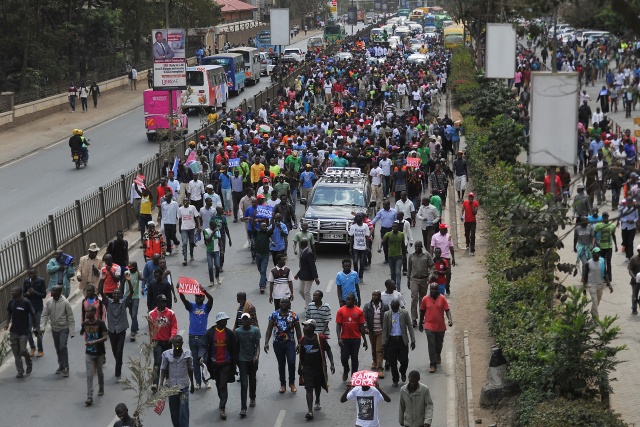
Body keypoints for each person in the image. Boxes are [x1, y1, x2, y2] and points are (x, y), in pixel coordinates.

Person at [202, 312, 237, 420]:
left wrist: (234, 364)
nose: (225, 322)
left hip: (226, 363)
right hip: (214, 364)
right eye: (223, 320)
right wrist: (201, 357)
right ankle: (221, 399)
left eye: (226, 320)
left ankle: (222, 407)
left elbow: (234, 349)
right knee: (218, 383)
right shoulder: (210, 333)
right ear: (218, 322)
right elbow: (203, 346)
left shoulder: (230, 334)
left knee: (222, 384)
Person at [298, 318, 336, 420]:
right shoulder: (302, 340)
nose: (304, 328)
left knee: (317, 386)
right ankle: (310, 411)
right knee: (309, 388)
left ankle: (317, 400)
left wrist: (332, 363)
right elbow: (301, 355)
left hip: (318, 368)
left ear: (312, 328)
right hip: (307, 368)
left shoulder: (320, 339)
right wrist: (299, 367)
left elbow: (328, 350)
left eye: (307, 326)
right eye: (304, 326)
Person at [264, 298, 302, 393]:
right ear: (279, 303)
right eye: (282, 302)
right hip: (278, 343)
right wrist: (266, 342)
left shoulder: (293, 315)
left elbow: (298, 330)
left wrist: (300, 343)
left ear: (289, 304)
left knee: (291, 362)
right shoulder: (274, 315)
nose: (284, 304)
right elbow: (269, 329)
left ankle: (292, 383)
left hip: (290, 343)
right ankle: (282, 384)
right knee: (281, 364)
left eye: (286, 302)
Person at [179, 284, 213, 390]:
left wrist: (205, 291)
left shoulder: (206, 308)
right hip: (192, 337)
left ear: (203, 297)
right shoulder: (191, 306)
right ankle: (198, 382)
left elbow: (211, 299)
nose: (198, 297)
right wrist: (180, 291)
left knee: (204, 361)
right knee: (195, 362)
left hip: (203, 338)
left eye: (200, 296)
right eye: (196, 296)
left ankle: (206, 380)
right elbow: (183, 299)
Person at [160, 335, 195, 427]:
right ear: (172, 343)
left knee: (184, 411)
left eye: (179, 342)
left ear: (182, 343)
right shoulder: (166, 354)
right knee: (174, 411)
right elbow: (163, 369)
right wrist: (161, 384)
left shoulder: (187, 354)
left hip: (183, 387)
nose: (177, 344)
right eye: (175, 342)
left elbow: (190, 369)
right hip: (172, 388)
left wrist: (192, 383)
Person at [40, 285, 75, 377]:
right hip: (54, 329)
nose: (52, 292)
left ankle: (66, 367)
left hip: (64, 328)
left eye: (54, 291)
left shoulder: (65, 303)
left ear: (59, 292)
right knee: (58, 348)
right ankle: (61, 365)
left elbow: (70, 317)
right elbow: (44, 315)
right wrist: (42, 328)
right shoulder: (49, 302)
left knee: (63, 346)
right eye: (52, 291)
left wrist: (72, 331)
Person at [419, 283, 453, 373]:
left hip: (440, 325)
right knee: (431, 344)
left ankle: (438, 353)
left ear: (437, 290)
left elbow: (447, 310)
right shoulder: (425, 299)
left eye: (435, 289)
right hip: (429, 325)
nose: (433, 291)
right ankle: (432, 364)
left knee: (438, 345)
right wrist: (420, 322)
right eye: (431, 289)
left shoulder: (442, 298)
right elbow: (422, 311)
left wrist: (450, 319)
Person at [98, 285, 129, 382]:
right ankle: (119, 362)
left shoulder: (123, 303)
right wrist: (102, 280)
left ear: (120, 295)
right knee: (115, 352)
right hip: (111, 331)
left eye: (118, 293)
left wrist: (128, 281)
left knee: (119, 351)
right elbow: (100, 291)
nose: (116, 295)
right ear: (112, 294)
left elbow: (131, 293)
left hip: (121, 331)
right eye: (114, 293)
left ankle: (117, 374)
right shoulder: (108, 302)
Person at [6, 286, 38, 378]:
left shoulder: (26, 302)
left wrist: (35, 327)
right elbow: (8, 313)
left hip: (24, 331)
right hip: (13, 331)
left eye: (13, 291)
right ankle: (20, 371)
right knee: (16, 353)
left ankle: (29, 362)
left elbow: (33, 314)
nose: (11, 293)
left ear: (19, 293)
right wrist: (7, 323)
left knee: (23, 350)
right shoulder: (11, 302)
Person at [382, 299, 415, 387]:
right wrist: (383, 343)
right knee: (392, 362)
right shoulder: (387, 314)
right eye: (393, 308)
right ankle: (395, 379)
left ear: (398, 306)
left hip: (402, 340)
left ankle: (402, 371)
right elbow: (384, 329)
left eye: (396, 307)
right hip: (391, 340)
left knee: (404, 360)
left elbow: (410, 326)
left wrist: (413, 340)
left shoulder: (404, 313)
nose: (394, 309)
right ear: (391, 307)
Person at [336, 293, 368, 381]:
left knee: (354, 357)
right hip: (345, 339)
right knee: (344, 358)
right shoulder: (341, 311)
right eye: (347, 299)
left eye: (350, 300)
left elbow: (361, 326)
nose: (348, 301)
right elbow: (338, 325)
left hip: (356, 339)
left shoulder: (359, 311)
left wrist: (364, 339)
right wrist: (339, 338)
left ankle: (354, 377)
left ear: (354, 301)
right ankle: (346, 369)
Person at [149, 295, 178, 392]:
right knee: (157, 362)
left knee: (168, 361)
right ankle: (155, 383)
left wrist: (172, 336)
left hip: (167, 341)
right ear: (157, 302)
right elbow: (151, 329)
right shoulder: (151, 314)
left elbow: (174, 326)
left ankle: (168, 379)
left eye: (165, 301)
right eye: (162, 301)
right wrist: (151, 340)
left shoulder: (171, 313)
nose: (164, 303)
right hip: (157, 342)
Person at [80, 305, 108, 406]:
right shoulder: (84, 324)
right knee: (89, 375)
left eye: (88, 312)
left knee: (100, 372)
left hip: (99, 353)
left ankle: (101, 387)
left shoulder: (101, 323)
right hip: (89, 353)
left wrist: (93, 342)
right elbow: (82, 332)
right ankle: (89, 396)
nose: (86, 314)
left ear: (94, 313)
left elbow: (105, 337)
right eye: (86, 312)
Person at [234, 313, 261, 416]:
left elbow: (258, 345)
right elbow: (236, 346)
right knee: (244, 383)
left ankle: (252, 397)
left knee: (252, 380)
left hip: (252, 359)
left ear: (250, 320)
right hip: (242, 360)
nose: (245, 321)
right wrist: (236, 361)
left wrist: (256, 356)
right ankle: (243, 408)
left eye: (246, 319)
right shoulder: (238, 332)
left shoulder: (255, 330)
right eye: (243, 320)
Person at [363, 290, 389, 378]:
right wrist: (365, 327)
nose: (374, 297)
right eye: (373, 295)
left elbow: (388, 317)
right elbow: (364, 318)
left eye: (376, 295)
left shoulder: (385, 306)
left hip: (381, 331)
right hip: (371, 331)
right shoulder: (367, 306)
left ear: (379, 297)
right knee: (373, 348)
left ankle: (380, 368)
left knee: (379, 349)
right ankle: (374, 361)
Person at [407, 241, 433, 327]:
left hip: (424, 280)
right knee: (414, 298)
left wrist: (430, 275)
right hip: (414, 279)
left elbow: (432, 266)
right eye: (416, 246)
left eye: (419, 246)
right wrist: (408, 280)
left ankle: (422, 318)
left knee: (422, 300)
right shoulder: (411, 256)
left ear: (422, 247)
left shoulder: (427, 255)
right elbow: (409, 269)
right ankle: (414, 319)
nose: (417, 248)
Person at [583, 247, 613, 318]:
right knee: (595, 302)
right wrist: (584, 287)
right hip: (592, 285)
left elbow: (605, 274)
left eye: (599, 253)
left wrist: (609, 285)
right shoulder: (589, 263)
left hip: (600, 285)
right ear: (593, 253)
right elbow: (585, 276)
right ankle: (596, 320)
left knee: (597, 303)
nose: (598, 254)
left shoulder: (602, 262)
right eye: (596, 252)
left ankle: (593, 311)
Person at [23, 269, 46, 357]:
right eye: (30, 274)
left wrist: (35, 292)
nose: (32, 276)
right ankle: (32, 347)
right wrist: (28, 293)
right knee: (28, 329)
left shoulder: (41, 281)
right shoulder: (26, 281)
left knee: (37, 329)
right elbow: (23, 294)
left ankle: (40, 349)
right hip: (29, 308)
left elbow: (43, 295)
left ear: (36, 273)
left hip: (38, 308)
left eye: (34, 274)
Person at [430, 223, 455, 294]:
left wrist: (453, 257)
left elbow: (451, 247)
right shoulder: (435, 236)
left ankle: (447, 286)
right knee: (436, 273)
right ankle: (436, 287)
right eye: (445, 229)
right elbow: (432, 246)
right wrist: (431, 256)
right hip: (438, 258)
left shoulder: (449, 236)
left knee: (448, 273)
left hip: (446, 258)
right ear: (441, 229)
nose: (447, 230)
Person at [380, 221, 405, 291]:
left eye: (395, 226)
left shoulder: (401, 235)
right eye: (393, 226)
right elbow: (383, 241)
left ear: (398, 227)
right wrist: (380, 248)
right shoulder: (388, 234)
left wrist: (404, 255)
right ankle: (393, 288)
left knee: (398, 272)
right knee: (392, 273)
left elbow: (403, 245)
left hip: (399, 256)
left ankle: (398, 289)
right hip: (391, 256)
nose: (394, 228)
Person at [295, 239, 320, 307]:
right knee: (300, 290)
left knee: (306, 292)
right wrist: (298, 274)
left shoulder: (309, 253)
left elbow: (312, 266)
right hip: (302, 276)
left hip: (309, 276)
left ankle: (309, 307)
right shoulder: (303, 252)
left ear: (300, 245)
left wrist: (316, 277)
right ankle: (310, 301)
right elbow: (303, 266)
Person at [593, 212, 617, 282]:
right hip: (601, 246)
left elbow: (613, 235)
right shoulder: (598, 225)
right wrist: (595, 243)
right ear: (602, 217)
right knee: (603, 262)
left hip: (609, 246)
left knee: (609, 262)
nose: (605, 218)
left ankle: (609, 278)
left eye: (606, 216)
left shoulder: (612, 225)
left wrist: (616, 245)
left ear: (608, 217)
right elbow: (594, 234)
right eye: (604, 217)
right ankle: (604, 276)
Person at [178, 198, 200, 266]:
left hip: (191, 228)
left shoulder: (192, 208)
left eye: (186, 201)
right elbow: (180, 219)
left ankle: (191, 253)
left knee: (191, 243)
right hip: (184, 228)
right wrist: (179, 228)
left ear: (189, 202)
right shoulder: (180, 209)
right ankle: (185, 258)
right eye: (184, 201)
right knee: (184, 243)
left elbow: (196, 217)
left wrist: (199, 225)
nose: (185, 202)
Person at [350, 213, 371, 282]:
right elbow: (351, 237)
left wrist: (367, 247)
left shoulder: (365, 226)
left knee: (362, 262)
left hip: (363, 248)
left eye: (360, 217)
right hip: (355, 247)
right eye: (357, 218)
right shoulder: (353, 227)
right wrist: (350, 248)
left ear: (362, 219)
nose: (358, 219)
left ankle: (361, 275)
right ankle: (356, 275)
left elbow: (367, 236)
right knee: (355, 262)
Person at [203, 219, 223, 286]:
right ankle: (211, 281)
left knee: (217, 265)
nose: (215, 228)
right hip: (209, 251)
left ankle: (217, 277)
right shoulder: (206, 231)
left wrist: (222, 250)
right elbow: (207, 240)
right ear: (211, 226)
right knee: (210, 267)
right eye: (214, 227)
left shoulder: (217, 230)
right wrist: (213, 233)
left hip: (216, 251)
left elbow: (220, 240)